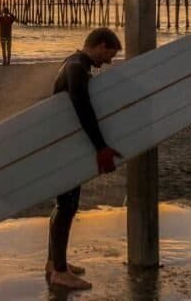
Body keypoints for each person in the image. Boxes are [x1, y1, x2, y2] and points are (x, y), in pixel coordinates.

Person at [46, 27, 123, 290]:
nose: (109, 61)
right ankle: (59, 272)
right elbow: (82, 108)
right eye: (109, 54)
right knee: (66, 205)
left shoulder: (74, 61)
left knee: (64, 204)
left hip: (65, 145)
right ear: (100, 45)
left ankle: (55, 263)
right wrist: (101, 147)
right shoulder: (78, 67)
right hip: (65, 147)